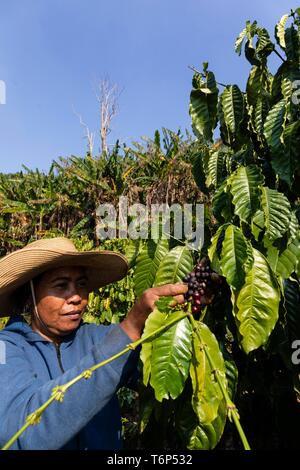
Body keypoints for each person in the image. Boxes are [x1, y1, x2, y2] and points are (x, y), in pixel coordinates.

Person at [0, 237, 188, 450]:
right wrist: (130, 327)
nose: (76, 297)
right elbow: (24, 433)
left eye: (81, 284)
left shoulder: (98, 339)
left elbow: (160, 369)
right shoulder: (6, 349)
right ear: (29, 296)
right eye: (61, 286)